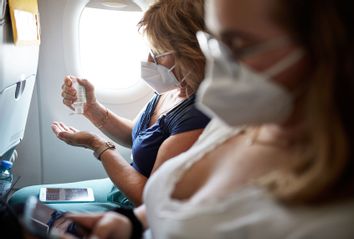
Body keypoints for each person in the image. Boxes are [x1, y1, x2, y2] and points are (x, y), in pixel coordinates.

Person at [60, 0, 354, 238]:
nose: (215, 68)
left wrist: (99, 146)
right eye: (213, 44)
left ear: (329, 44)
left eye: (237, 46)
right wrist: (130, 225)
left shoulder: (333, 220)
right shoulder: (237, 121)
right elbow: (170, 204)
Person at [9, 0, 209, 212]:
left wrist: (97, 145)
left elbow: (148, 199)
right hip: (120, 188)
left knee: (26, 211)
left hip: (137, 204)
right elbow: (137, 135)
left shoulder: (197, 117)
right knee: (21, 199)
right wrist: (90, 108)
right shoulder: (171, 89)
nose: (149, 60)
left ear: (189, 53)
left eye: (157, 53)